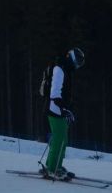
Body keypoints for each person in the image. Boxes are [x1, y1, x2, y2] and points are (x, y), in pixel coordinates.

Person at [41, 47, 85, 181]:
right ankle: (52, 169)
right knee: (59, 139)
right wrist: (64, 109)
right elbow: (55, 93)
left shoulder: (66, 69)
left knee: (62, 139)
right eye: (77, 62)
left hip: (60, 110)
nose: (78, 65)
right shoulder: (59, 69)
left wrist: (68, 109)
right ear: (71, 58)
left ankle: (55, 165)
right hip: (55, 110)